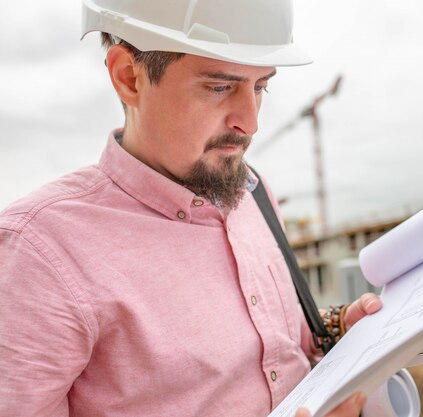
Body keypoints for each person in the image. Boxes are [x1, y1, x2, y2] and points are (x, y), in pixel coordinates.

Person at [0, 0, 382, 416]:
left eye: (260, 87)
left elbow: (273, 345)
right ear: (129, 77)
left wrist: (334, 325)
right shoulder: (36, 254)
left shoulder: (254, 194)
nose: (250, 123)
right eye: (220, 87)